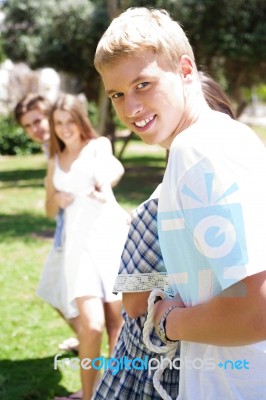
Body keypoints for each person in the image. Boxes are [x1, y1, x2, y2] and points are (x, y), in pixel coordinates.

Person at [94, 7, 266, 399]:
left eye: (143, 84)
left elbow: (258, 309)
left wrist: (168, 320)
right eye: (117, 94)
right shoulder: (225, 137)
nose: (130, 109)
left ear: (186, 70)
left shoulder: (197, 150)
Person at [92, 70, 237, 399]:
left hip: (157, 366)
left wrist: (168, 309)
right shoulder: (247, 185)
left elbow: (132, 304)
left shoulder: (157, 208)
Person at [40, 93, 129, 400]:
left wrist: (104, 183)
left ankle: (116, 392)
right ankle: (89, 396)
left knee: (118, 324)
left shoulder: (97, 147)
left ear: (80, 120)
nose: (65, 129)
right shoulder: (55, 160)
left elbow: (114, 168)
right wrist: (57, 199)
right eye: (58, 123)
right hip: (77, 248)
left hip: (109, 239)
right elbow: (48, 209)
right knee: (91, 325)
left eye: (69, 121)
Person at [14, 93, 80, 353]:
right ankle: (86, 339)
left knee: (63, 293)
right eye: (28, 126)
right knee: (54, 291)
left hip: (78, 233)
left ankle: (90, 345)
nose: (35, 129)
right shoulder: (51, 147)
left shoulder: (66, 141)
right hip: (65, 229)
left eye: (38, 120)